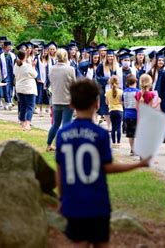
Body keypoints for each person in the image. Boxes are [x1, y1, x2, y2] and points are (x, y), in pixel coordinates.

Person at [55, 78, 150, 248]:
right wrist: (138, 165)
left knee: (79, 242)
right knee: (101, 243)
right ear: (97, 104)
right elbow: (106, 167)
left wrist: (62, 198)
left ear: (71, 104)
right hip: (97, 202)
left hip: (73, 202)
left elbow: (60, 171)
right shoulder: (100, 134)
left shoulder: (63, 134)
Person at [46, 48, 76, 151]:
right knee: (66, 124)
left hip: (56, 100)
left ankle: (49, 144)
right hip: (68, 100)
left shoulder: (52, 69)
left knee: (55, 124)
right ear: (66, 57)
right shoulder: (70, 69)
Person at [13, 50, 38, 131]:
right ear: (25, 57)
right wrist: (33, 66)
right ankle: (27, 123)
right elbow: (35, 75)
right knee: (30, 106)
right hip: (28, 88)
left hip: (20, 88)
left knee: (23, 106)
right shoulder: (27, 66)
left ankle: (22, 122)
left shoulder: (16, 65)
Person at [97, 49, 118, 131]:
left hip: (115, 89)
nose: (110, 57)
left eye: (111, 56)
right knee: (105, 108)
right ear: (106, 56)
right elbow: (98, 77)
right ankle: (109, 125)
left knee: (114, 107)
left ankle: (114, 124)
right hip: (105, 89)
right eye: (108, 56)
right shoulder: (101, 65)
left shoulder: (117, 65)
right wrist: (107, 80)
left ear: (114, 57)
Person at [122, 74, 140, 155]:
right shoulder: (137, 91)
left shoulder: (124, 92)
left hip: (127, 114)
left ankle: (132, 149)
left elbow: (122, 102)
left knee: (130, 134)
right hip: (136, 115)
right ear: (135, 82)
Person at [105, 75, 123, 147]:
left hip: (111, 110)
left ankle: (113, 142)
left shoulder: (107, 92)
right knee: (119, 127)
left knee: (113, 127)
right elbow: (122, 102)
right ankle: (118, 142)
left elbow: (107, 103)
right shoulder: (121, 92)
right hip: (119, 110)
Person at [35, 53, 50, 117]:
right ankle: (41, 110)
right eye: (44, 51)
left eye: (46, 51)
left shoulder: (48, 60)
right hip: (40, 80)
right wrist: (38, 78)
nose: (45, 53)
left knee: (48, 95)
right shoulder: (37, 59)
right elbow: (35, 68)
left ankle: (48, 108)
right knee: (40, 95)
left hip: (47, 80)